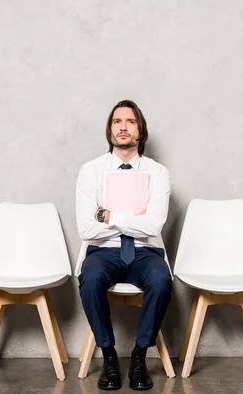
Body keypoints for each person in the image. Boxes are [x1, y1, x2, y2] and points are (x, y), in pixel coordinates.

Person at [75, 100, 172, 390]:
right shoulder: (91, 171)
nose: (123, 127)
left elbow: (153, 226)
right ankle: (108, 356)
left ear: (140, 131)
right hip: (103, 251)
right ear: (110, 129)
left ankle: (140, 356)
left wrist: (109, 215)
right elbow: (87, 228)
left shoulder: (157, 173)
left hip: (145, 251)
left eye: (130, 122)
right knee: (89, 278)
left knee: (162, 279)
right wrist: (133, 218)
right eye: (117, 121)